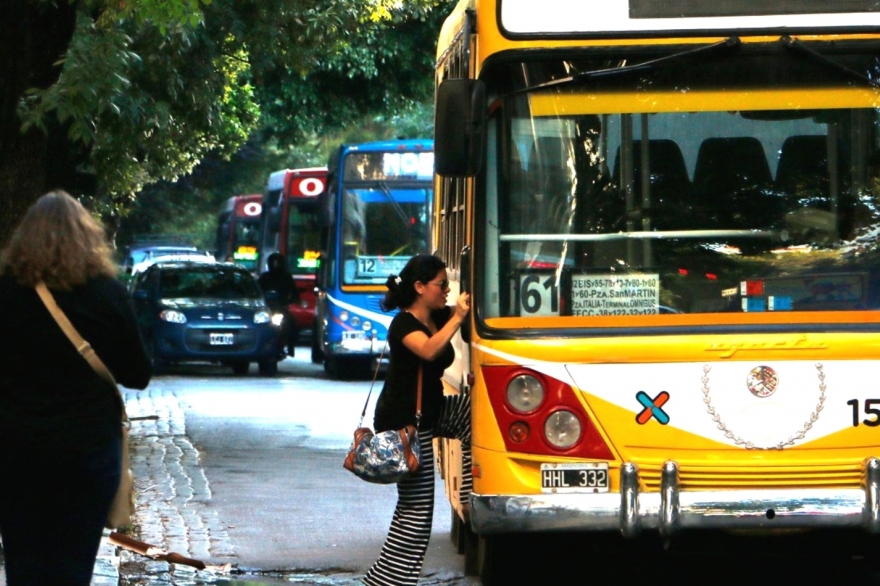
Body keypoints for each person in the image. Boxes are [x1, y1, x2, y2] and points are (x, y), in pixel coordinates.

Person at [0, 190, 152, 585]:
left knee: (24, 561)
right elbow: (138, 373)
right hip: (88, 452)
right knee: (73, 561)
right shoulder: (107, 293)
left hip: (15, 449)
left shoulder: (6, 292)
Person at [363, 254, 471, 586]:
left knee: (473, 414)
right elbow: (428, 350)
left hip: (432, 413)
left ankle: (469, 499)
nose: (447, 290)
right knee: (416, 512)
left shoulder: (438, 314)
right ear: (420, 287)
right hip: (405, 424)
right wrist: (458, 318)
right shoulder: (404, 324)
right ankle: (385, 582)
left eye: (448, 284)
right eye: (442, 284)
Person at [257, 252, 300, 356]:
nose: (275, 264)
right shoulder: (264, 277)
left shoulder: (286, 277)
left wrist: (294, 299)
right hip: (267, 308)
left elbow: (293, 291)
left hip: (281, 307)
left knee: (292, 325)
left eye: (277, 262)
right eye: (273, 262)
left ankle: (290, 346)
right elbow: (257, 291)